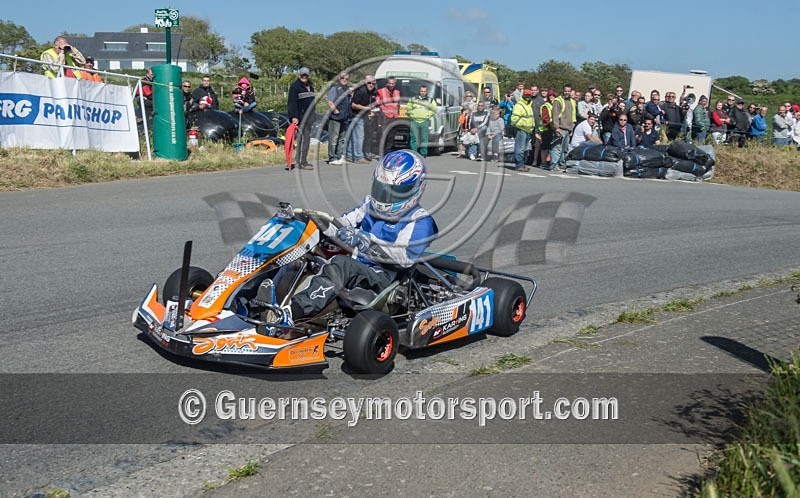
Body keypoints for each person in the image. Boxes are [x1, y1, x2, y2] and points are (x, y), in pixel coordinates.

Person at [279, 150, 438, 329]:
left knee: (342, 264)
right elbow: (343, 224)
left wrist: (366, 241)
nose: (386, 197)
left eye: (396, 192)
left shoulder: (420, 220)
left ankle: (293, 312)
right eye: (382, 190)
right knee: (300, 253)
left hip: (384, 277)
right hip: (358, 266)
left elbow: (404, 259)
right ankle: (260, 298)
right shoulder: (369, 205)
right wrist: (317, 223)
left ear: (416, 189)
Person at [287, 67, 316, 170]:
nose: (304, 77)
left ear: (308, 76)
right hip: (300, 117)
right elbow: (292, 103)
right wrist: (293, 116)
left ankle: (302, 160)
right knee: (303, 139)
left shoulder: (310, 86)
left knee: (306, 140)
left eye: (306, 75)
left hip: (309, 117)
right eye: (302, 75)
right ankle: (301, 162)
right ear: (299, 75)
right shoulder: (295, 87)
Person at [349, 75, 377, 164]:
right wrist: (365, 109)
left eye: (373, 83)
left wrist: (371, 111)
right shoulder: (360, 91)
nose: (371, 85)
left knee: (354, 137)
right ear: (366, 83)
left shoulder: (372, 92)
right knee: (360, 137)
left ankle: (349, 155)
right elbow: (353, 104)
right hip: (356, 115)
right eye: (369, 83)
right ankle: (358, 157)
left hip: (363, 116)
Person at [326, 71, 351, 166]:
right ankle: (332, 158)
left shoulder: (347, 89)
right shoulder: (335, 88)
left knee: (342, 138)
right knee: (333, 138)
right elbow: (329, 102)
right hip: (335, 117)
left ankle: (339, 156)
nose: (344, 80)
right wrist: (336, 111)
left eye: (346, 78)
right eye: (342, 78)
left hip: (345, 117)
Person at [550, 84, 577, 170]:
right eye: (566, 91)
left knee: (565, 148)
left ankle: (562, 164)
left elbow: (573, 116)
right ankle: (554, 165)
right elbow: (555, 115)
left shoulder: (572, 101)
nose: (567, 93)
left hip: (568, 128)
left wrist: (572, 128)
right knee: (557, 148)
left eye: (569, 91)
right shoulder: (558, 101)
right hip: (560, 128)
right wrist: (556, 128)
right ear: (563, 90)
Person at [406, 85, 437, 157]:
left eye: (424, 91)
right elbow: (408, 108)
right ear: (419, 91)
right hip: (414, 121)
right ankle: (414, 153)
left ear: (426, 92)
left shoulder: (430, 100)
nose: (423, 93)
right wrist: (412, 114)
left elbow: (434, 109)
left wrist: (428, 115)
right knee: (414, 138)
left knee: (424, 138)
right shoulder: (413, 99)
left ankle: (423, 153)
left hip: (424, 121)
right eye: (421, 91)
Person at [510, 89, 534, 172]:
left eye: (529, 95)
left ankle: (522, 164)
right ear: (523, 95)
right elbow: (514, 119)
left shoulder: (529, 105)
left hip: (528, 130)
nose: (528, 97)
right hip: (521, 129)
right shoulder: (519, 105)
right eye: (526, 95)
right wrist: (523, 125)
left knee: (524, 149)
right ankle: (519, 165)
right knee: (520, 148)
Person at [376, 76, 401, 154]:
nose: (391, 85)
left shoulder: (397, 92)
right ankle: (382, 153)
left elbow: (398, 104)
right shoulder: (381, 91)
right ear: (387, 83)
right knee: (384, 135)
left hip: (394, 117)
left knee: (392, 136)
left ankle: (388, 152)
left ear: (395, 84)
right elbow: (377, 103)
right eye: (390, 83)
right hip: (385, 116)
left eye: (393, 83)